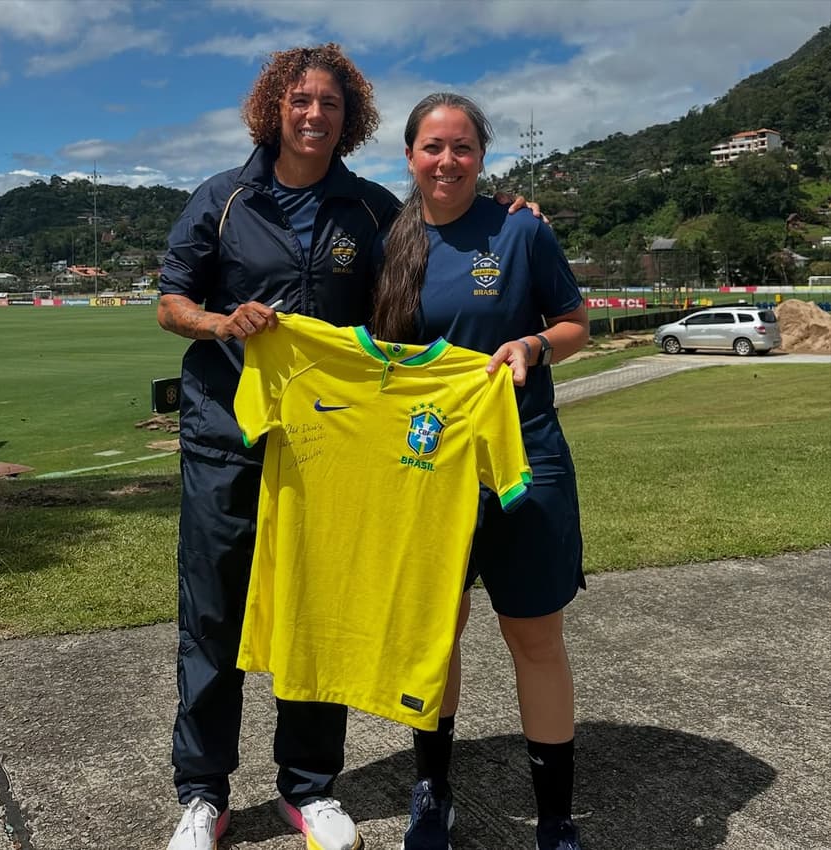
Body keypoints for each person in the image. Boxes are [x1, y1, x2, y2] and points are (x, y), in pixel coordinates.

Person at [158, 46, 536, 850]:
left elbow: (443, 221)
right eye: (300, 100)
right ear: (274, 108)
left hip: (330, 450)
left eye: (330, 103)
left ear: (349, 117)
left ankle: (309, 787)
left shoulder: (368, 210)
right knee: (213, 613)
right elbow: (170, 301)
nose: (314, 114)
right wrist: (222, 322)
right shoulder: (221, 200)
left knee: (319, 606)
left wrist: (509, 214)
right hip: (228, 435)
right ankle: (203, 794)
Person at [372, 93, 589, 850]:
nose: (447, 160)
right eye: (433, 146)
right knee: (438, 634)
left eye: (462, 147)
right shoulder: (390, 243)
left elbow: (574, 323)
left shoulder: (520, 229)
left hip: (523, 459)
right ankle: (433, 794)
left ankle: (556, 818)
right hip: (430, 469)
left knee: (535, 637)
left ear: (481, 155)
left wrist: (533, 347)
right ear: (410, 156)